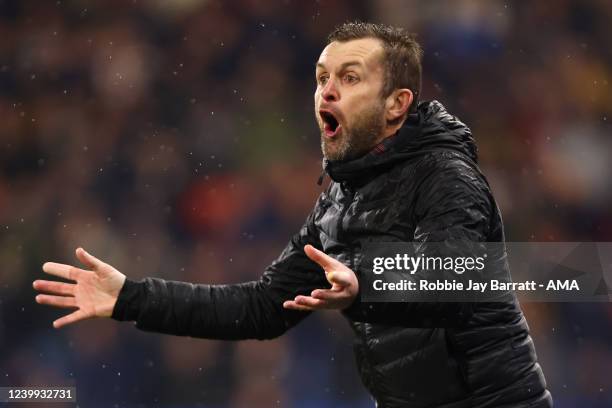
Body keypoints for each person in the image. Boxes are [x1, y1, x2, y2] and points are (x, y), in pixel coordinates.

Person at [33, 22, 552, 408]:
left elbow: (454, 272)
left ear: (397, 104)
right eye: (322, 77)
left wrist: (364, 282)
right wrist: (130, 297)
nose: (327, 91)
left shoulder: (445, 174)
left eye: (349, 78)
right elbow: (261, 307)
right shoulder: (340, 201)